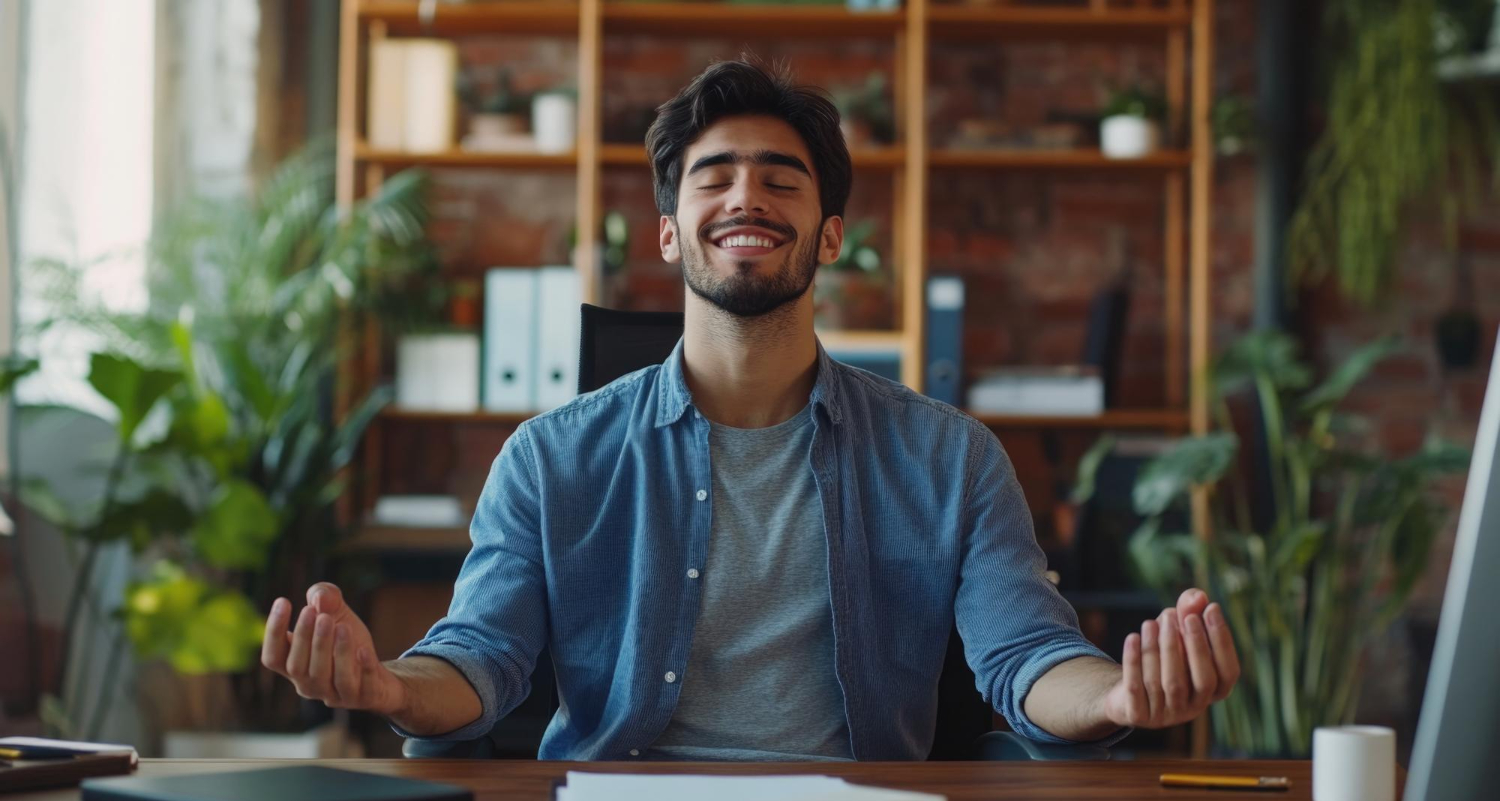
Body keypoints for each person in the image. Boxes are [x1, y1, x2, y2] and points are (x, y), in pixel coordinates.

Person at [261, 57, 1241, 761]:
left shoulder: (951, 458)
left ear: (830, 236)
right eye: (714, 176)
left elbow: (1026, 656)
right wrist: (387, 685)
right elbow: (479, 658)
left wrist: (1118, 693)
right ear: (669, 233)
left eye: (782, 180)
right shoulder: (548, 459)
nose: (746, 198)